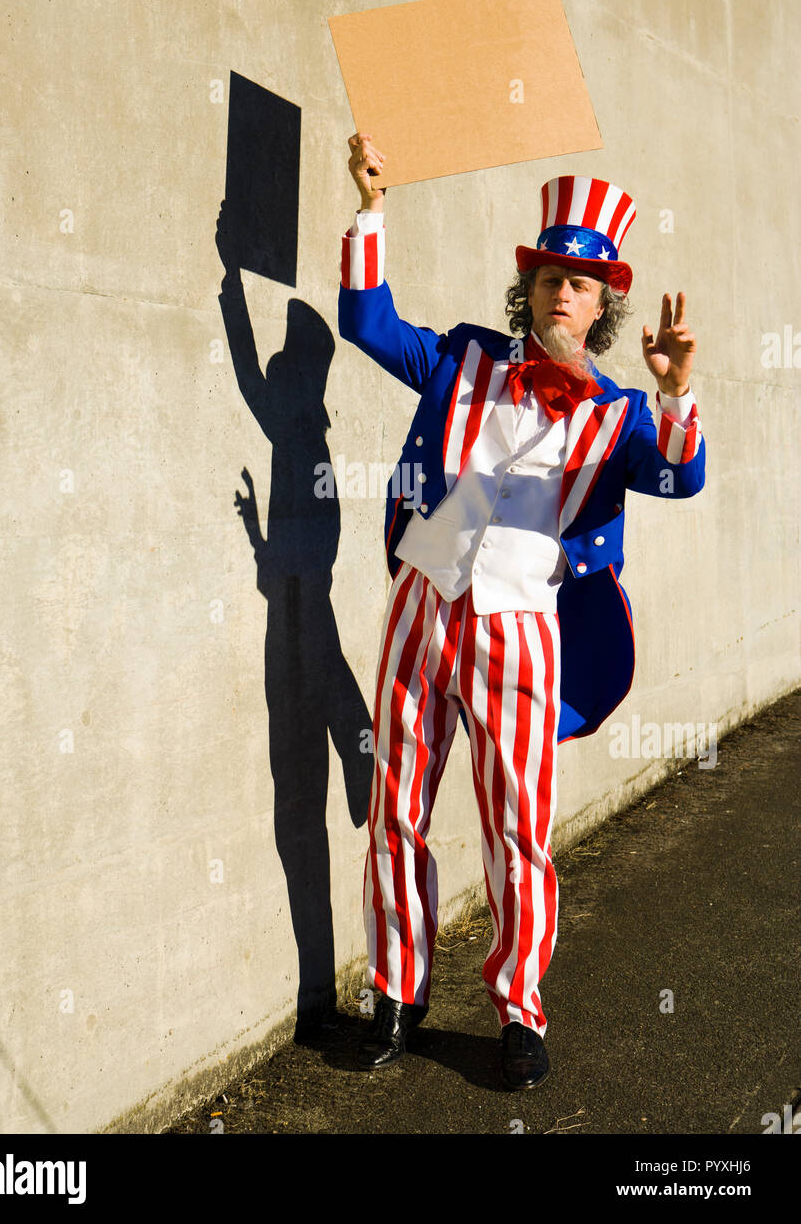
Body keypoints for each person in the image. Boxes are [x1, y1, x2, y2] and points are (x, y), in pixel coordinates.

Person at [337, 131, 705, 1090]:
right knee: (396, 813)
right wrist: (373, 206)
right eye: (550, 275)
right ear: (529, 286)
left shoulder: (620, 410)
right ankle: (396, 996)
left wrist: (677, 397)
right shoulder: (463, 359)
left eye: (581, 282)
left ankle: (518, 1012)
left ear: (603, 304)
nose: (562, 291)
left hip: (520, 626)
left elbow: (678, 474)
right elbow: (368, 324)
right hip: (425, 601)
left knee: (518, 830)